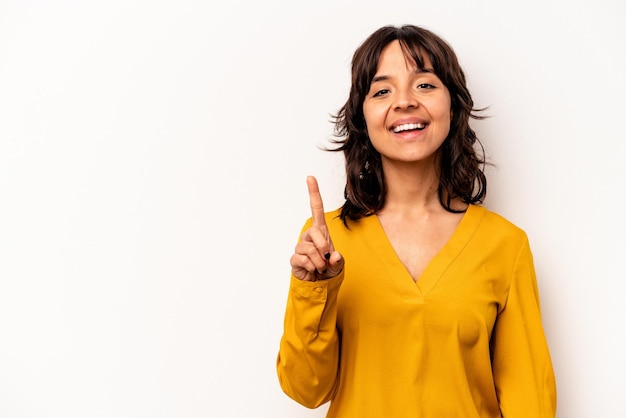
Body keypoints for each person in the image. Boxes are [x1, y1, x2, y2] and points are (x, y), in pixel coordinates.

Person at [276, 24, 557, 417]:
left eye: (424, 85)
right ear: (362, 116)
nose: (404, 102)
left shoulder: (505, 245)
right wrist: (314, 291)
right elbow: (306, 389)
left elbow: (531, 401)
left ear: (454, 106)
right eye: (382, 90)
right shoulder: (328, 241)